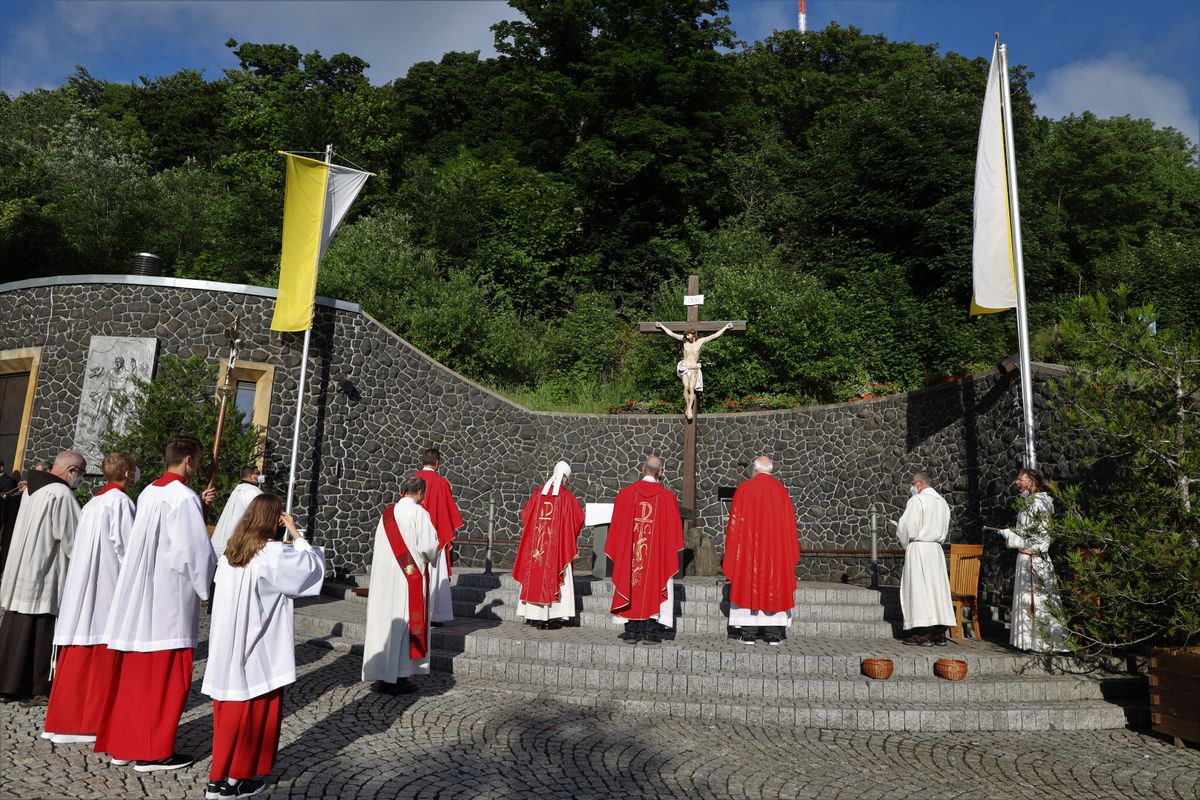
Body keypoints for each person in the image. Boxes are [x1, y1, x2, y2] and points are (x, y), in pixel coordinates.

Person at [95, 436, 217, 772]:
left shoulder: (148, 492)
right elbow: (194, 553)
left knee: (135, 676)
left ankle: (124, 743)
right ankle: (153, 752)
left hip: (139, 595)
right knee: (165, 678)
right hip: (168, 600)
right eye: (198, 460)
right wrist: (207, 585)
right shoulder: (183, 498)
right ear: (189, 459)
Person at [202, 494, 324, 800]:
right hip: (259, 647)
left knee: (228, 709)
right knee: (254, 712)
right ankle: (234, 781)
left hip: (227, 644)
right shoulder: (272, 555)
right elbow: (311, 570)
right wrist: (295, 533)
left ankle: (217, 780)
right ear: (273, 520)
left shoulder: (231, 553)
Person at [42, 452, 137, 744]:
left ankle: (64, 721)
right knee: (99, 647)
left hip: (83, 584)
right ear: (126, 473)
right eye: (133, 470)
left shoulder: (94, 502)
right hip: (106, 585)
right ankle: (88, 723)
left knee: (79, 650)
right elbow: (128, 549)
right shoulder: (121, 502)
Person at [0, 450, 85, 702]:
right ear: (71, 471)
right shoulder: (61, 495)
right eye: (80, 474)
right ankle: (36, 687)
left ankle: (7, 684)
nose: (80, 481)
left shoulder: (30, 489)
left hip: (21, 568)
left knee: (16, 628)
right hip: (45, 572)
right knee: (40, 632)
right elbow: (73, 541)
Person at [362, 476, 440, 693]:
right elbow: (428, 546)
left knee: (384, 624)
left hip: (384, 580)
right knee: (404, 625)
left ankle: (382, 674)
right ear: (421, 493)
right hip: (407, 580)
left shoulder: (387, 514)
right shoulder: (419, 513)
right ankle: (398, 677)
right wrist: (433, 557)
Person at [606, 456, 684, 644]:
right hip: (655, 558)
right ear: (661, 472)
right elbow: (674, 535)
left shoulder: (625, 495)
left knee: (630, 581)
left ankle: (632, 632)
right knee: (653, 583)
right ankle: (650, 632)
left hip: (632, 556)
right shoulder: (667, 498)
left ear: (642, 469)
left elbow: (616, 530)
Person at [722, 456, 800, 646]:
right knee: (775, 586)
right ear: (770, 470)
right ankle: (774, 634)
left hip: (750, 552)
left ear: (755, 470)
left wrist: (735, 550)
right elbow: (789, 527)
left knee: (748, 584)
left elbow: (735, 526)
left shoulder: (744, 489)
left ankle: (748, 634)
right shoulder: (781, 491)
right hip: (776, 553)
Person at [995, 468, 1068, 653]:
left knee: (1036, 601)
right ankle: (1034, 642)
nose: (1017, 483)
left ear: (1032, 482)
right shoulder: (1031, 503)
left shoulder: (1036, 504)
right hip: (1030, 558)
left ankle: (1041, 642)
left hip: (1033, 559)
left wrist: (1010, 535)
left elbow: (1032, 537)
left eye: (1020, 479)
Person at [512, 461, 585, 629]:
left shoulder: (538, 494)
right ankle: (550, 617)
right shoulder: (566, 497)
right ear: (565, 478)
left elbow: (525, 515)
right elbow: (578, 519)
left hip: (536, 548)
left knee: (535, 573)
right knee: (553, 575)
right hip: (555, 551)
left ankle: (534, 616)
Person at [895, 471, 955, 646]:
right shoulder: (942, 503)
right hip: (936, 550)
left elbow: (907, 527)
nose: (912, 487)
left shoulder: (917, 500)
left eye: (913, 483)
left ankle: (921, 633)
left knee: (919, 590)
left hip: (919, 547)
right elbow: (944, 528)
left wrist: (903, 539)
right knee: (937, 591)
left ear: (920, 484)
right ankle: (939, 632)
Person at [414, 448, 463, 626]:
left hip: (414, 536)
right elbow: (447, 512)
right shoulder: (442, 483)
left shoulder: (413, 480)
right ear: (437, 463)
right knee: (436, 573)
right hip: (435, 537)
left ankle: (415, 611)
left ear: (423, 461)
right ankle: (435, 615)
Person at [653, 321, 734, 420]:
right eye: (686, 334)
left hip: (694, 368)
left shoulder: (701, 341)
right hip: (685, 368)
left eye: (688, 334)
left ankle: (689, 409)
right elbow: (671, 333)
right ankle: (688, 408)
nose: (687, 336)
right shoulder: (684, 341)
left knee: (692, 388)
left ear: (694, 334)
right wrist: (661, 326)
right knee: (686, 387)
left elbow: (715, 335)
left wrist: (726, 327)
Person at [210, 465, 265, 558]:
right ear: (250, 476)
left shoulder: (238, 489)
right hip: (236, 545)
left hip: (224, 543)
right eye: (257, 474)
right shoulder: (252, 491)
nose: (261, 476)